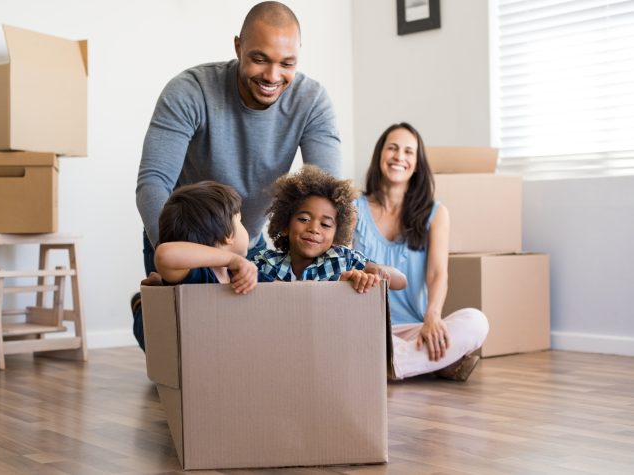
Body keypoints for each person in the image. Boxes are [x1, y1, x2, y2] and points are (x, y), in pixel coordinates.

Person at [136, 1, 341, 277]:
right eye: (260, 59)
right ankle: (143, 310)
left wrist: (341, 266)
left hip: (247, 243)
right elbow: (153, 182)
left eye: (287, 63)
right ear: (238, 47)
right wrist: (175, 256)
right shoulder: (190, 91)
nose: (272, 75)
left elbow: (330, 196)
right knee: (165, 320)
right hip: (182, 246)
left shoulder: (312, 102)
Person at [354, 122, 489, 381]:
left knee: (476, 321)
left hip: (414, 329)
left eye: (408, 152)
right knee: (353, 338)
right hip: (364, 327)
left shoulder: (435, 214)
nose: (399, 157)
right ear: (379, 155)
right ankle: (435, 363)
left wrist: (433, 316)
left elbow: (438, 274)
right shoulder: (353, 207)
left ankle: (391, 365)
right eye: (392, 148)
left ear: (417, 164)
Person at [133, 181, 273, 351]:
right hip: (188, 355)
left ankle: (160, 284)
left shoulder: (241, 275)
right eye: (240, 221)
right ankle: (141, 305)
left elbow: (279, 293)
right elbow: (164, 254)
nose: (246, 229)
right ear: (228, 235)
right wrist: (231, 259)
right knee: (153, 337)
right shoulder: (196, 276)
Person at [252, 165, 407, 292]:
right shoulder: (267, 262)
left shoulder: (344, 260)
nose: (314, 229)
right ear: (285, 225)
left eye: (325, 224)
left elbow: (401, 281)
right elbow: (234, 277)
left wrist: (376, 271)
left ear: (336, 235)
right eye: (304, 219)